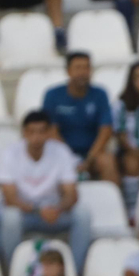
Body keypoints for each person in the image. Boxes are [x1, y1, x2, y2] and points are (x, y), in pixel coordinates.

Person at [0, 109, 94, 272]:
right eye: (31, 132)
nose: (36, 137)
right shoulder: (11, 153)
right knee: (10, 218)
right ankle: (12, 272)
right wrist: (39, 210)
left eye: (41, 132)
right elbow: (10, 198)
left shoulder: (61, 152)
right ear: (24, 133)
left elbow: (72, 194)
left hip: (54, 212)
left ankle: (74, 272)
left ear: (49, 132)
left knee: (83, 215)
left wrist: (58, 209)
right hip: (26, 213)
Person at [42, 51, 117, 182]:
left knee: (107, 162)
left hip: (92, 154)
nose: (83, 72)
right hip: (61, 154)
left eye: (86, 67)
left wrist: (89, 159)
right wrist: (71, 159)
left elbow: (106, 130)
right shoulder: (52, 95)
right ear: (68, 71)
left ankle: (115, 195)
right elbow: (51, 131)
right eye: (78, 68)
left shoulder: (100, 94)